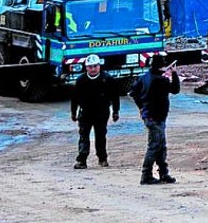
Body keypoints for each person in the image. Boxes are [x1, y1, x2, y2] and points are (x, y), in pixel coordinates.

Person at [129, 53, 180, 185]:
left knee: (160, 145)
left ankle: (163, 173)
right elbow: (175, 89)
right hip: (156, 117)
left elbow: (133, 92)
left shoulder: (144, 77)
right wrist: (174, 74)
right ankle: (147, 175)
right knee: (155, 146)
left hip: (149, 116)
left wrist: (141, 107)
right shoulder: (160, 80)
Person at [70, 54, 120, 169]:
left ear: (99, 66)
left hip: (101, 113)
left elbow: (115, 97)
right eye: (90, 67)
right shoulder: (81, 80)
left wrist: (115, 111)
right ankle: (82, 160)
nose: (93, 69)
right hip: (85, 113)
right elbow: (75, 98)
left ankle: (102, 159)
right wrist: (73, 112)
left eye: (95, 66)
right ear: (86, 67)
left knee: (100, 136)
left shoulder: (107, 79)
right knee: (84, 136)